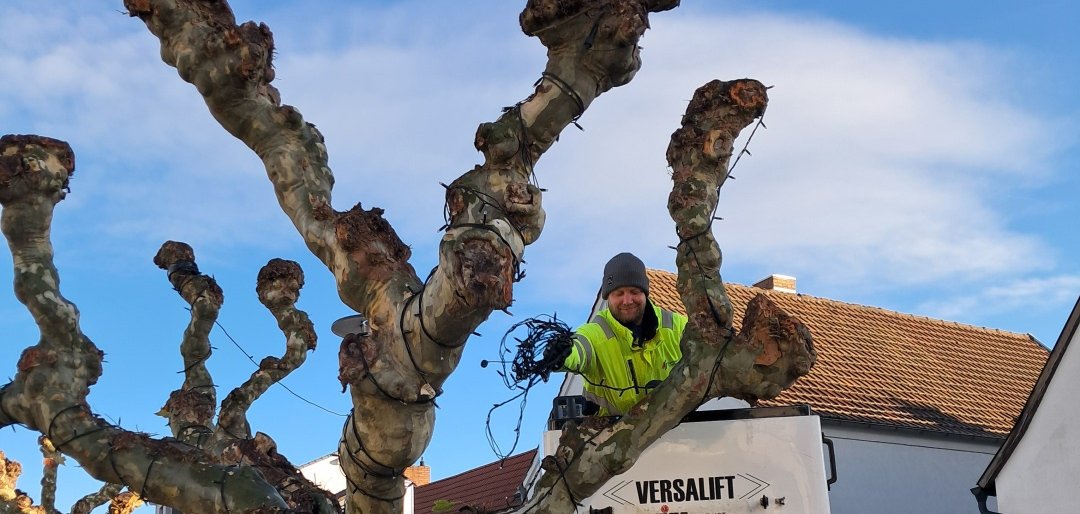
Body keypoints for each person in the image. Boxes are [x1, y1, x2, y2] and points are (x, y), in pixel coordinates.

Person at [547, 252, 687, 416]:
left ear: (645, 293)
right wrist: (563, 354)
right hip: (611, 436)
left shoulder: (678, 326)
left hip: (678, 434)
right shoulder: (595, 333)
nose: (627, 300)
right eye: (618, 293)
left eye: (634, 291)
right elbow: (579, 349)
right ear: (608, 297)